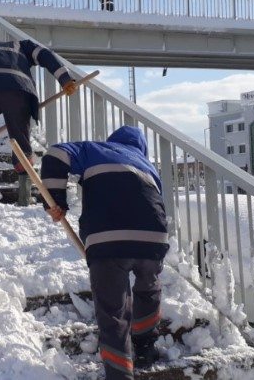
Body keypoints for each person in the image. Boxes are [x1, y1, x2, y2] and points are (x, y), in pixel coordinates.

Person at [39, 126, 169, 379]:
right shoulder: (147, 165)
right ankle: (144, 348)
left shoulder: (94, 149)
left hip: (107, 237)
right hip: (153, 237)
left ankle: (120, 373)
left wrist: (55, 201)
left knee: (113, 310)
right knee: (148, 288)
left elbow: (55, 154)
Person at [0, 40, 77, 206]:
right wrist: (65, 79)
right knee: (20, 139)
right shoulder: (23, 46)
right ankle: (24, 198)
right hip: (16, 87)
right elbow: (45, 55)